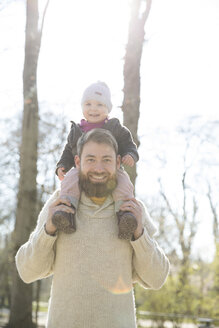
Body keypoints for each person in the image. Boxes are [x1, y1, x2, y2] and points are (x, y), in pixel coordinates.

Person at [16, 129, 170, 328]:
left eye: (106, 160)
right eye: (91, 159)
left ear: (118, 163)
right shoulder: (59, 204)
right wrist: (48, 230)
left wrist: (140, 235)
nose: (99, 168)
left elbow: (157, 278)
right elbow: (27, 271)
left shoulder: (132, 210)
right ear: (78, 163)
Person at [53, 81, 139, 239]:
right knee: (70, 180)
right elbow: (67, 151)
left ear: (108, 109)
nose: (93, 108)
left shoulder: (115, 127)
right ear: (82, 107)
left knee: (124, 182)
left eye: (100, 104)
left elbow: (129, 144)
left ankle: (125, 215)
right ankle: (66, 212)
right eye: (88, 104)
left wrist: (130, 155)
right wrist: (62, 165)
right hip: (83, 170)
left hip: (110, 169)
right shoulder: (76, 131)